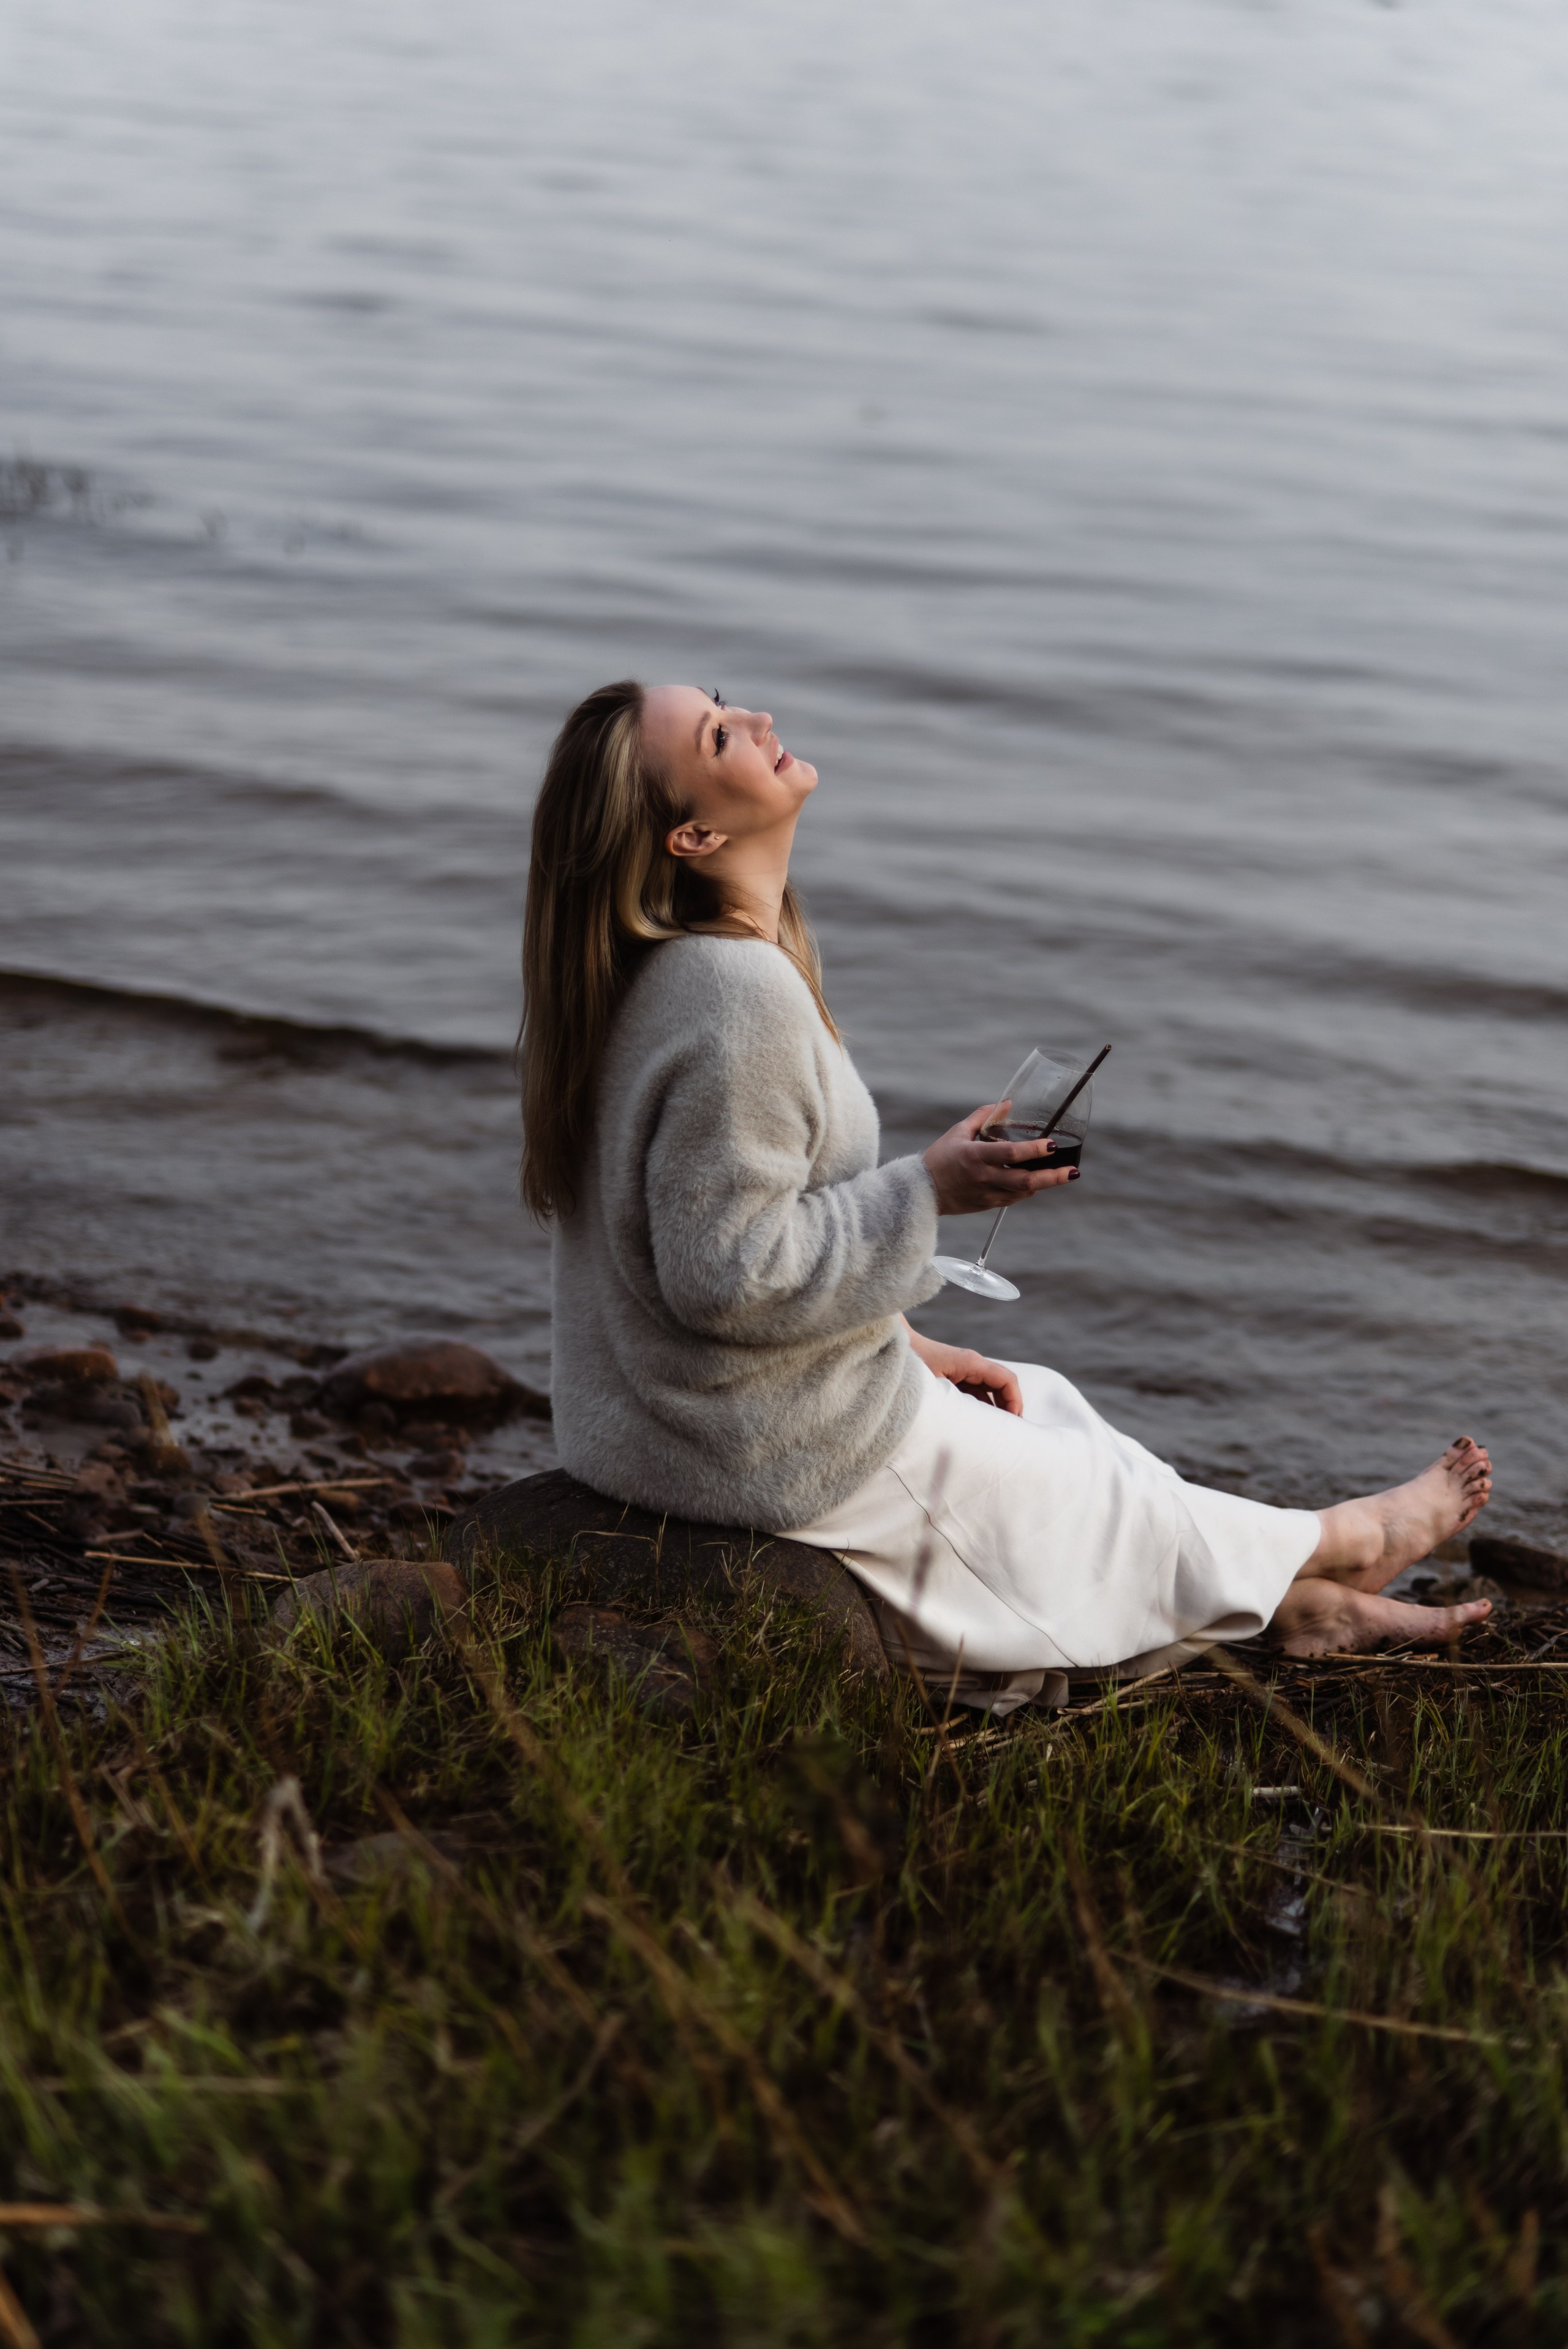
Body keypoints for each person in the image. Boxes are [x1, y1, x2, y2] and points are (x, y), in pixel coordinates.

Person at [520, 679, 1493, 1712]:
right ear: (695, 836)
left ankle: (1303, 1610)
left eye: (725, 703)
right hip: (742, 1444)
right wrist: (929, 1189)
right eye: (720, 735)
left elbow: (689, 1245)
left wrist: (915, 1347)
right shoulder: (733, 995)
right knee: (1098, 1502)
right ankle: (1347, 1541)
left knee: (1051, 1409)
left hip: (664, 1422)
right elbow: (725, 1278)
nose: (758, 719)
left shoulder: (673, 973)